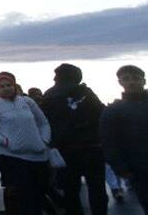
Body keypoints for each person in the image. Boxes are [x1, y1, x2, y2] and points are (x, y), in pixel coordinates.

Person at [40, 63, 107, 215]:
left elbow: (44, 121)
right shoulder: (86, 92)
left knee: (71, 190)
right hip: (92, 147)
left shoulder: (49, 95)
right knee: (97, 189)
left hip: (65, 149)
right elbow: (100, 114)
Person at [0, 71, 51, 215]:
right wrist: (4, 141)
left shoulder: (28, 102)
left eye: (9, 85)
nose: (6, 88)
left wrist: (44, 140)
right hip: (13, 156)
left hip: (37, 154)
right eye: (2, 87)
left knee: (39, 191)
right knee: (24, 194)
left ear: (14, 86)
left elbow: (43, 123)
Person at [100, 64, 148, 213]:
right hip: (140, 169)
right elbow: (109, 142)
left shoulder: (114, 110)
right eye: (126, 79)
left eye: (136, 78)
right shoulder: (113, 111)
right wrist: (121, 167)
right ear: (120, 82)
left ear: (144, 81)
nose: (132, 82)